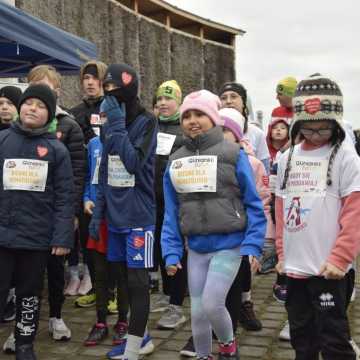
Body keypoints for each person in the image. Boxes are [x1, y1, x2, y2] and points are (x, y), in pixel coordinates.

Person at [161, 90, 266, 360]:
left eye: (200, 114)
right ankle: (204, 355)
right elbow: (171, 212)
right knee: (197, 311)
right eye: (187, 116)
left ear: (214, 118)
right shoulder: (176, 161)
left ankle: (229, 348)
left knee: (211, 303)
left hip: (229, 244)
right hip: (196, 248)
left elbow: (253, 203)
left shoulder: (233, 154)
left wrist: (254, 244)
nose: (193, 121)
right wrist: (171, 252)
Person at [275, 74, 360, 360]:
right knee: (302, 337)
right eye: (307, 130)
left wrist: (340, 257)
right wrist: (280, 252)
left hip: (329, 269)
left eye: (323, 129)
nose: (314, 136)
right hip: (295, 268)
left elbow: (355, 211)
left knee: (334, 339)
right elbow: (280, 206)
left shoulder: (347, 158)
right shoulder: (286, 159)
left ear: (335, 123)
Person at [0, 84, 74, 360]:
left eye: (41, 106)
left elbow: (66, 197)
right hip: (3, 235)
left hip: (36, 237)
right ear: (21, 107)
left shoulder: (57, 150)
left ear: (50, 114)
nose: (33, 108)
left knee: (29, 295)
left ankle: (24, 343)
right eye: (29, 102)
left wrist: (62, 236)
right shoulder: (3, 140)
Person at [89, 63, 157, 360]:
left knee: (138, 282)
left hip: (139, 216)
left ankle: (132, 349)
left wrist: (116, 127)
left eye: (114, 89)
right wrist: (98, 214)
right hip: (114, 216)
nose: (109, 94)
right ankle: (141, 337)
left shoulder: (147, 121)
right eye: (106, 89)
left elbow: (132, 163)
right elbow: (106, 171)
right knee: (122, 278)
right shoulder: (108, 122)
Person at [27, 65, 85, 341]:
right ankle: (25, 326)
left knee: (55, 269)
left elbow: (76, 174)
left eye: (46, 88)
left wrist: (72, 214)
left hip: (55, 213)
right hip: (25, 214)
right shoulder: (17, 125)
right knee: (26, 275)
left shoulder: (69, 125)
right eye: (34, 86)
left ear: (57, 92)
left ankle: (56, 317)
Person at [82, 123, 130, 347]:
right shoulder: (93, 143)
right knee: (99, 274)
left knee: (122, 275)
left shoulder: (130, 143)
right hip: (98, 218)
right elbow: (87, 175)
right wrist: (86, 199)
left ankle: (123, 321)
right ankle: (100, 321)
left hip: (121, 218)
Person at [70, 60, 108, 308]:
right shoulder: (75, 112)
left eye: (95, 78)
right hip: (85, 185)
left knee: (109, 243)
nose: (90, 82)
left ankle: (112, 290)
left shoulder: (113, 108)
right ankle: (94, 284)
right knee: (88, 239)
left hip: (110, 186)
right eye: (86, 78)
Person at [150, 80, 187, 331]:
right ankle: (166, 292)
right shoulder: (150, 127)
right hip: (152, 199)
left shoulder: (184, 130)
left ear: (179, 102)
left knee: (176, 250)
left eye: (168, 98)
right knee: (161, 250)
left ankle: (177, 305)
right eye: (159, 99)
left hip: (176, 201)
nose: (163, 103)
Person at [219, 82, 270, 173]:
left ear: (243, 103)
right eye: (223, 98)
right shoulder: (211, 132)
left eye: (234, 96)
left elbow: (264, 171)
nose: (228, 101)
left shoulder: (257, 133)